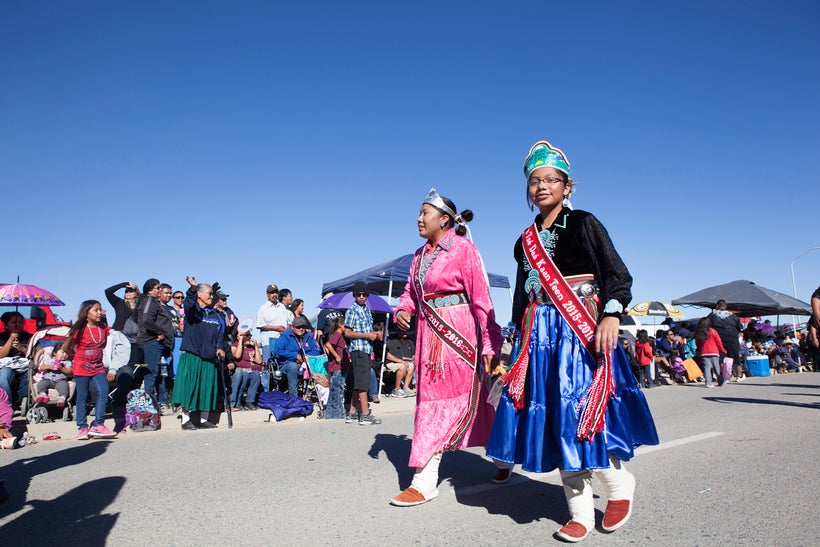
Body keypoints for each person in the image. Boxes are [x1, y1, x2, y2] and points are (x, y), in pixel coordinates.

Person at [486, 141, 658, 542]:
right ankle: (579, 511)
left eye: (551, 180)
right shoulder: (524, 241)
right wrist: (514, 346)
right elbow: (519, 298)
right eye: (534, 181)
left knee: (581, 414)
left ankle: (618, 485)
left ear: (567, 186)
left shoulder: (584, 223)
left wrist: (612, 314)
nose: (541, 186)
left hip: (579, 330)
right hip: (539, 337)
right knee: (554, 420)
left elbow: (618, 276)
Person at [390, 188, 503, 507]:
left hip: (459, 336)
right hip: (428, 338)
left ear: (444, 219)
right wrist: (403, 310)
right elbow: (410, 293)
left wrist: (490, 340)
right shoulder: (418, 256)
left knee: (455, 402)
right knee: (442, 403)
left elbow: (481, 297)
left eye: (424, 213)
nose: (418, 218)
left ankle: (424, 481)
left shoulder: (464, 249)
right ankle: (503, 457)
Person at [172, 277, 227, 430]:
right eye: (209, 294)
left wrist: (219, 348)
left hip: (209, 357)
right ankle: (186, 420)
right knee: (190, 387)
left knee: (207, 388)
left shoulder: (215, 316)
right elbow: (189, 302)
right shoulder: (192, 312)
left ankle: (204, 420)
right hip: (193, 355)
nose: (211, 297)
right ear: (200, 295)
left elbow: (219, 336)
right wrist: (192, 288)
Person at [62, 300, 118, 440]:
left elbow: (103, 345)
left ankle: (98, 425)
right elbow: (65, 348)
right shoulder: (79, 329)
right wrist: (77, 357)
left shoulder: (103, 329)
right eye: (96, 310)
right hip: (81, 366)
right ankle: (82, 427)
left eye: (100, 310)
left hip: (98, 366)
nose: (100, 312)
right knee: (82, 396)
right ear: (86, 313)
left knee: (104, 392)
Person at [344, 282, 384, 426]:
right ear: (354, 295)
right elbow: (347, 332)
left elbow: (367, 330)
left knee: (359, 382)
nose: (361, 297)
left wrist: (375, 335)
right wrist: (367, 335)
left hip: (367, 349)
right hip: (358, 349)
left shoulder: (367, 310)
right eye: (359, 294)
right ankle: (365, 415)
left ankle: (352, 413)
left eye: (364, 294)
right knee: (363, 383)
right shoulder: (352, 310)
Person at [134, 278, 175, 410]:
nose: (159, 290)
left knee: (153, 374)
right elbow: (145, 320)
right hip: (151, 342)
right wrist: (158, 332)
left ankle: (151, 405)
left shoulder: (149, 302)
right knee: (150, 375)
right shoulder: (149, 301)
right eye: (158, 288)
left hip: (153, 343)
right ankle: (148, 407)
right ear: (151, 289)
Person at [273, 316, 322, 398]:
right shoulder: (285, 336)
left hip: (305, 364)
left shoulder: (309, 336)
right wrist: (294, 356)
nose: (301, 329)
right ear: (292, 327)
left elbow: (316, 350)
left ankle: (321, 396)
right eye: (298, 327)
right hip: (287, 364)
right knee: (293, 366)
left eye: (303, 327)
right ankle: (294, 397)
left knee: (321, 362)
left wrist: (305, 357)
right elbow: (277, 351)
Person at [708, 299, 745, 382]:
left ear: (717, 306)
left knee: (720, 358)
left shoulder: (712, 315)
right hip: (732, 338)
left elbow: (706, 325)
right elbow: (740, 327)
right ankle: (739, 376)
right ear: (726, 306)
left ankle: (724, 377)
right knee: (735, 356)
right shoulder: (732, 315)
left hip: (718, 338)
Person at [0, 311, 32, 405]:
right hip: (6, 365)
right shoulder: (1, 337)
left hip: (24, 365)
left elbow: (35, 355)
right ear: (6, 325)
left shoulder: (29, 336)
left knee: (30, 372)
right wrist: (10, 340)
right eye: (14, 323)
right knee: (5, 374)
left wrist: (21, 348)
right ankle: (6, 403)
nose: (17, 325)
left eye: (20, 322)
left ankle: (23, 400)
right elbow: (1, 355)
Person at [229, 326, 263, 410]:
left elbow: (259, 361)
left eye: (250, 335)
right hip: (240, 370)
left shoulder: (251, 347)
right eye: (247, 335)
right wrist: (240, 341)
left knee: (256, 375)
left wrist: (255, 347)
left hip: (251, 370)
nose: (249, 337)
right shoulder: (234, 346)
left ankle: (250, 401)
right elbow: (237, 356)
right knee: (244, 376)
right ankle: (238, 402)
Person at [323, 316, 349, 419]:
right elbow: (328, 345)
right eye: (345, 325)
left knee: (334, 390)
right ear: (340, 325)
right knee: (338, 391)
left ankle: (330, 414)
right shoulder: (337, 335)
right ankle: (338, 413)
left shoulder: (337, 335)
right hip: (338, 367)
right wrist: (337, 356)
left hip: (338, 367)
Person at [257, 284, 289, 363]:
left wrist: (287, 328)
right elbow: (260, 325)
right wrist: (276, 328)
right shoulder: (263, 308)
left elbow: (289, 321)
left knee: (282, 365)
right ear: (267, 294)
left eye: (276, 292)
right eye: (272, 293)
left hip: (282, 341)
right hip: (268, 342)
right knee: (268, 367)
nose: (274, 295)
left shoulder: (282, 307)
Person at [33, 342, 72, 407]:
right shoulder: (49, 360)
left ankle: (62, 398)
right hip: (48, 379)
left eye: (66, 353)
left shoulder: (67, 362)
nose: (65, 355)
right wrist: (49, 367)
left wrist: (62, 368)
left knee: (64, 386)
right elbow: (42, 367)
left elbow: (69, 371)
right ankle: (43, 394)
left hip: (60, 380)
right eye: (62, 352)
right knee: (41, 384)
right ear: (54, 353)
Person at [694, 317, 726, 387]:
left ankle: (708, 383)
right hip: (714, 352)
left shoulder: (699, 332)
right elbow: (718, 342)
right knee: (716, 368)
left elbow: (697, 343)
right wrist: (723, 350)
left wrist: (700, 349)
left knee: (707, 368)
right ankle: (721, 381)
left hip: (704, 352)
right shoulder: (712, 331)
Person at [385, 329, 416, 398]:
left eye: (406, 331)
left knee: (412, 365)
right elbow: (393, 356)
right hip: (393, 362)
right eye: (402, 331)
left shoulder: (409, 342)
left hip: (406, 362)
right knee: (403, 366)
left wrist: (413, 357)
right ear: (398, 331)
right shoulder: (393, 341)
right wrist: (405, 360)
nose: (405, 333)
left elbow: (413, 354)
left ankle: (406, 387)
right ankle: (396, 389)